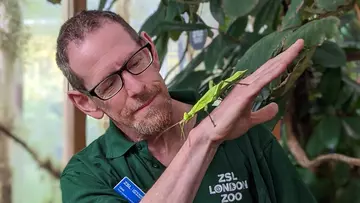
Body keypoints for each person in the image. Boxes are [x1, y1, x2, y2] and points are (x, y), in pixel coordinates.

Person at [56, 10, 316, 203]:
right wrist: (204, 138)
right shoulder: (86, 175)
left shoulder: (242, 128)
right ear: (87, 103)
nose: (136, 88)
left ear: (152, 51)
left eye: (135, 62)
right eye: (109, 84)